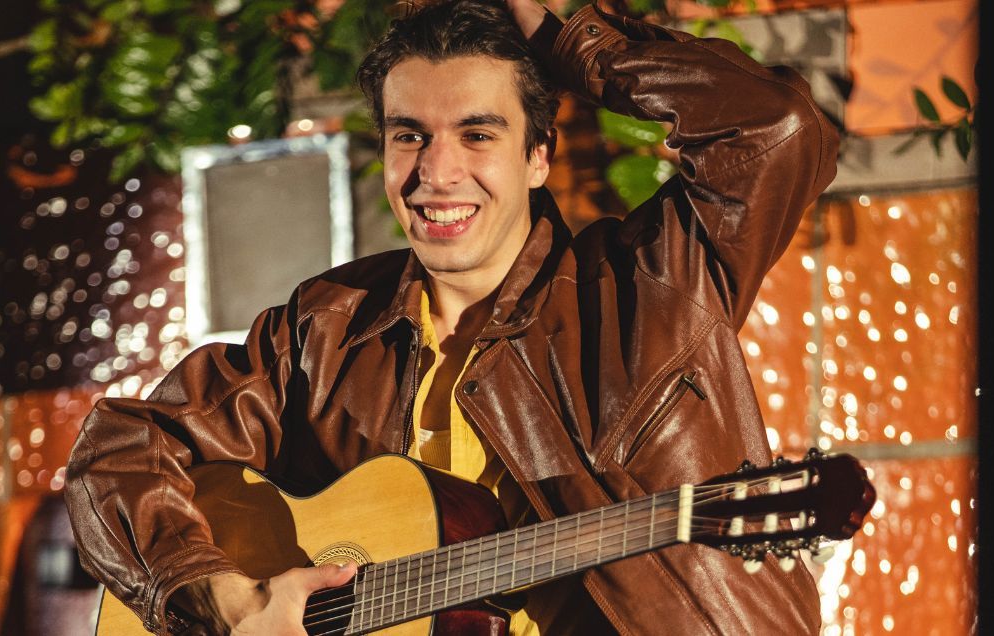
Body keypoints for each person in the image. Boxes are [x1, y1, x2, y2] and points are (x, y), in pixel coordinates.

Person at [65, 0, 839, 633]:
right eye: (410, 136)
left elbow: (775, 130)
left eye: (477, 134)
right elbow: (122, 448)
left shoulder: (653, 286)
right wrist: (228, 601)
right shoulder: (326, 329)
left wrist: (574, 41)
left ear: (538, 156)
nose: (436, 173)